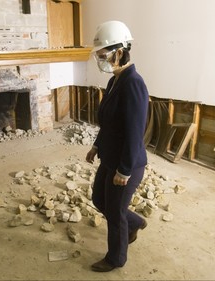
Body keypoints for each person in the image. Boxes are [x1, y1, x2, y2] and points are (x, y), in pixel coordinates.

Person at [85, 20, 149, 272]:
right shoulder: (115, 81)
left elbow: (135, 132)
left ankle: (116, 258)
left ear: (119, 52)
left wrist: (124, 170)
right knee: (99, 199)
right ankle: (134, 222)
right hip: (109, 156)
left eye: (104, 55)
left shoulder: (133, 83)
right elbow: (109, 123)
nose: (101, 60)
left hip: (127, 163)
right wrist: (96, 146)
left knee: (114, 211)